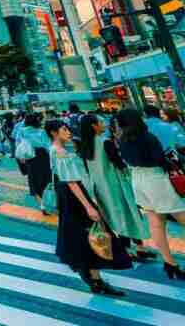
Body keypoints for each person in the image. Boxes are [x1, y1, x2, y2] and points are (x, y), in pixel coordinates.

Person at [47, 119, 130, 295]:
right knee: (92, 232)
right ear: (54, 133)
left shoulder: (55, 149)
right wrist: (89, 206)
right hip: (74, 196)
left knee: (83, 235)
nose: (68, 132)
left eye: (68, 128)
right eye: (64, 129)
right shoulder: (60, 151)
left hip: (68, 197)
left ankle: (92, 275)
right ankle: (95, 278)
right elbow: (72, 181)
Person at [116, 108, 185, 280]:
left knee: (155, 223)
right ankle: (171, 265)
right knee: (182, 216)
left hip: (138, 180)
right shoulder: (147, 137)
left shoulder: (122, 139)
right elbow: (159, 159)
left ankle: (170, 263)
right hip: (155, 178)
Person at [78, 114, 155, 262]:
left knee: (115, 215)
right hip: (116, 183)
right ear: (94, 126)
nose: (104, 123)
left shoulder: (85, 145)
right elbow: (119, 163)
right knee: (129, 212)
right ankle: (136, 248)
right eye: (101, 122)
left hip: (99, 186)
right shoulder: (105, 142)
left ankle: (130, 248)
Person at [17, 113, 52, 213]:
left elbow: (19, 144)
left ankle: (42, 205)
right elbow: (47, 145)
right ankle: (49, 200)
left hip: (30, 156)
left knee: (34, 181)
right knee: (46, 179)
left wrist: (21, 157)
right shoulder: (42, 131)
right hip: (43, 156)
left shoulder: (22, 131)